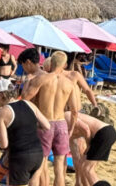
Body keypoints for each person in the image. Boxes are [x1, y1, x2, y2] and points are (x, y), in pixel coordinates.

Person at [22, 50, 79, 186]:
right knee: (60, 169)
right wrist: (71, 128)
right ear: (64, 65)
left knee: (39, 166)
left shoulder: (42, 79)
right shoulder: (69, 83)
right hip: (61, 124)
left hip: (44, 123)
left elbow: (25, 98)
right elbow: (75, 110)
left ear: (50, 63)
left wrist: (27, 83)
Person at [0, 79, 50, 186]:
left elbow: (4, 144)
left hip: (21, 156)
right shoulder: (28, 103)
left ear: (0, 95)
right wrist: (27, 125)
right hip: (38, 153)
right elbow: (47, 125)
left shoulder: (2, 113)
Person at [67, 109, 116, 186]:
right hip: (104, 134)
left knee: (88, 169)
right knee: (82, 166)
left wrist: (88, 145)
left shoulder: (66, 116)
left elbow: (86, 129)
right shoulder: (64, 120)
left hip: (103, 133)